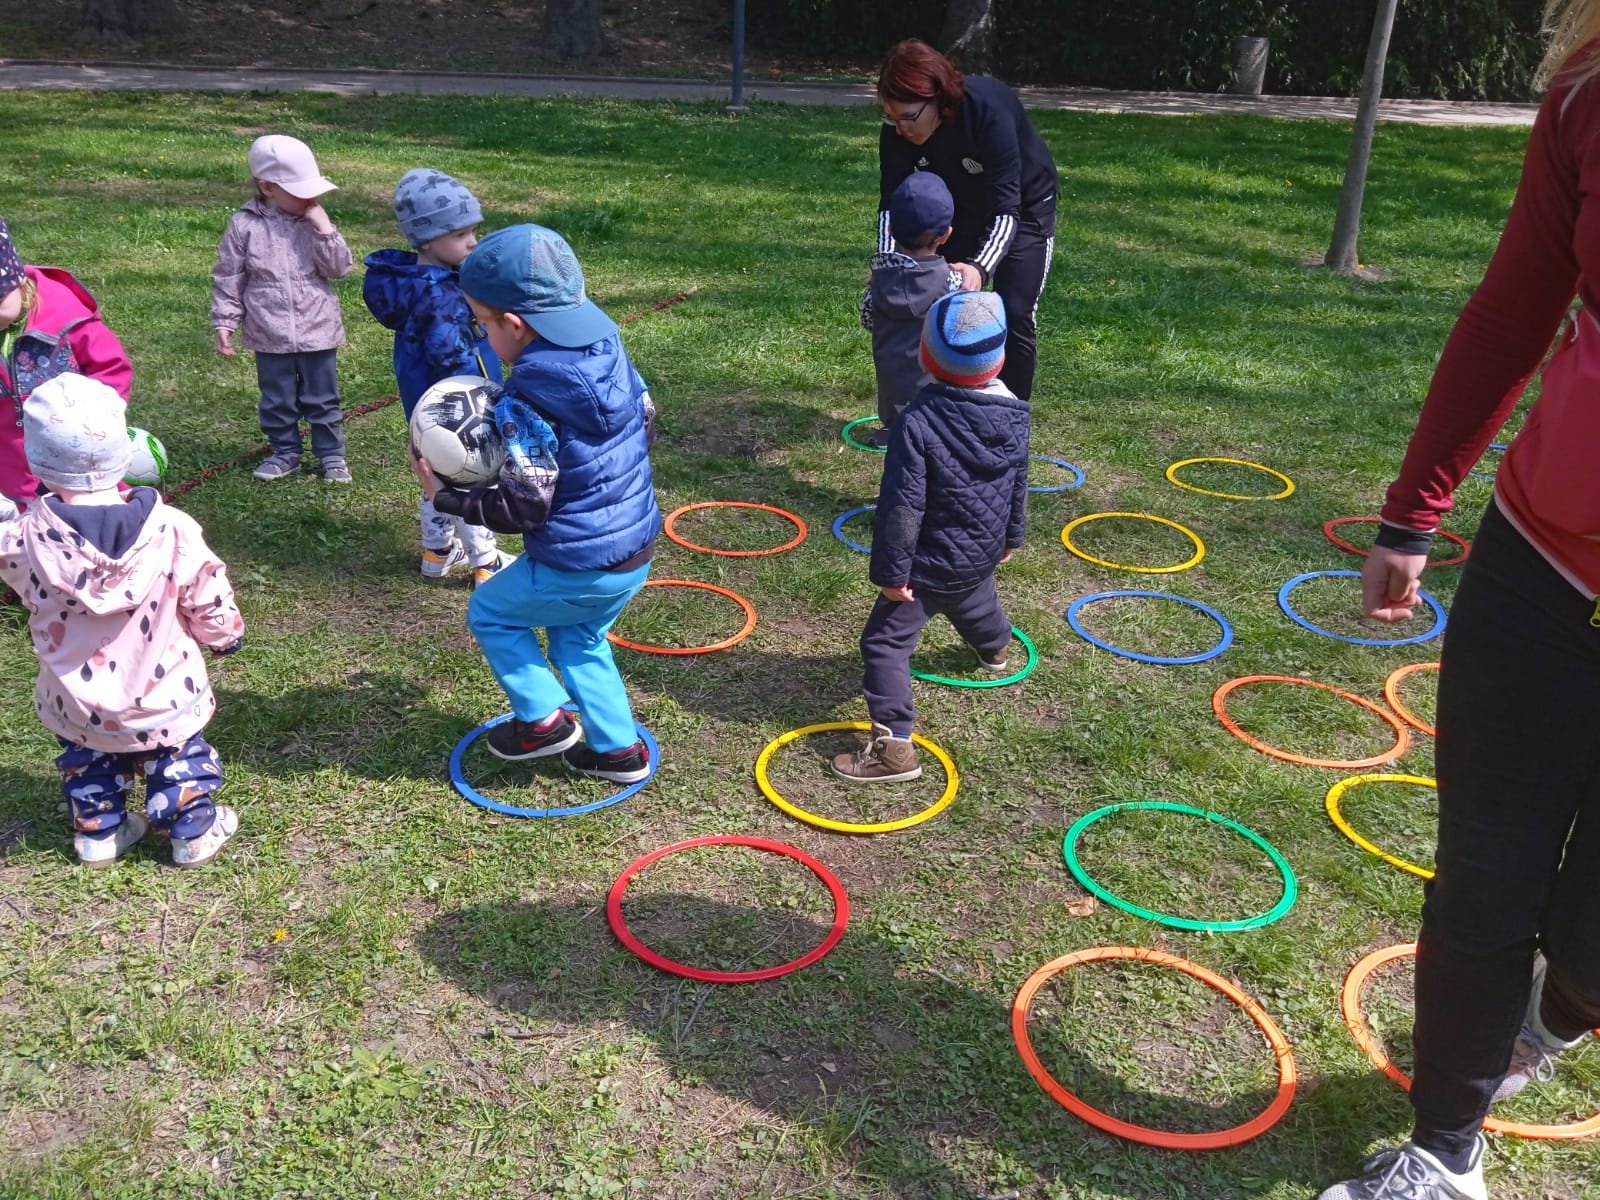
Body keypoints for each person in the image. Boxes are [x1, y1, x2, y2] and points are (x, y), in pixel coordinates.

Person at [1319, 6, 1600, 1198]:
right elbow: (1510, 311)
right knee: (1484, 880)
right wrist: (1411, 510)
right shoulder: (1590, 92)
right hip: (1541, 562)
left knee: (1591, 944)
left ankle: (1557, 1009)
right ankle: (1442, 1151)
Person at [410, 224, 659, 784]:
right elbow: (646, 421)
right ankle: (618, 752)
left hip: (576, 564)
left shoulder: (527, 400)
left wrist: (447, 497)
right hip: (635, 549)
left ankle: (543, 721)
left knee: (491, 612)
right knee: (580, 639)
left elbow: (527, 507)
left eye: (481, 324)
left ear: (514, 325)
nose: (481, 334)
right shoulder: (609, 350)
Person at [0, 374, 245, 868]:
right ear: (125, 452)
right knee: (177, 758)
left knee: (88, 761)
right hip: (164, 694)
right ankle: (192, 831)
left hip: (75, 700)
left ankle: (99, 833)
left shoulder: (22, 541)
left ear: (37, 464)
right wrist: (225, 636)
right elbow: (207, 590)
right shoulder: (172, 529)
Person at [833, 291, 1027, 783]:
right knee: (974, 599)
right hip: (980, 551)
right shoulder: (1014, 412)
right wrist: (1011, 536)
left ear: (925, 356)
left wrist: (892, 573)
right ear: (1000, 358)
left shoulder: (918, 421)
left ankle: (894, 749)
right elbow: (1018, 481)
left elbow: (903, 506)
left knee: (884, 644)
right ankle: (996, 648)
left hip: (927, 565)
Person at [875, 38, 1059, 405]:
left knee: (1014, 311)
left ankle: (1009, 414)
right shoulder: (897, 131)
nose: (900, 128)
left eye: (908, 117)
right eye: (891, 116)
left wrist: (979, 267)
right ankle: (945, 410)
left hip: (1025, 205)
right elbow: (890, 208)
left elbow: (1007, 210)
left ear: (938, 99)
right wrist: (887, 266)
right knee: (945, 305)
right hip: (960, 208)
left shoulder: (987, 113)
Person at [363, 167, 510, 586]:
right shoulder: (439, 295)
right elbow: (451, 356)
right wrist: (483, 402)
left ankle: (438, 551)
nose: (473, 242)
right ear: (427, 239)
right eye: (461, 234)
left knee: (434, 475)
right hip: (462, 409)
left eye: (474, 231)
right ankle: (486, 563)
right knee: (472, 479)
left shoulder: (417, 283)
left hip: (425, 408)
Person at [212, 134, 356, 484]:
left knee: (323, 398)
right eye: (300, 191)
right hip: (268, 330)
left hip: (317, 328)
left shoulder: (314, 221)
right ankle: (285, 452)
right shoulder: (244, 225)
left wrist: (325, 229)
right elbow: (229, 276)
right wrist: (225, 320)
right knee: (277, 400)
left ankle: (331, 455)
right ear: (267, 187)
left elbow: (339, 268)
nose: (311, 198)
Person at [0, 213, 133, 507]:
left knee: (97, 517)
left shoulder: (66, 318)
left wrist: (98, 417)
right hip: (13, 469)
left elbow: (111, 368)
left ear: (16, 280)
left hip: (81, 458)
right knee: (29, 527)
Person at [861, 172, 965, 442]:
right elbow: (961, 331)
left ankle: (895, 429)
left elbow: (868, 319)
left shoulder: (879, 281)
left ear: (890, 229)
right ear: (945, 235)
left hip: (892, 402)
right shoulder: (952, 282)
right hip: (936, 407)